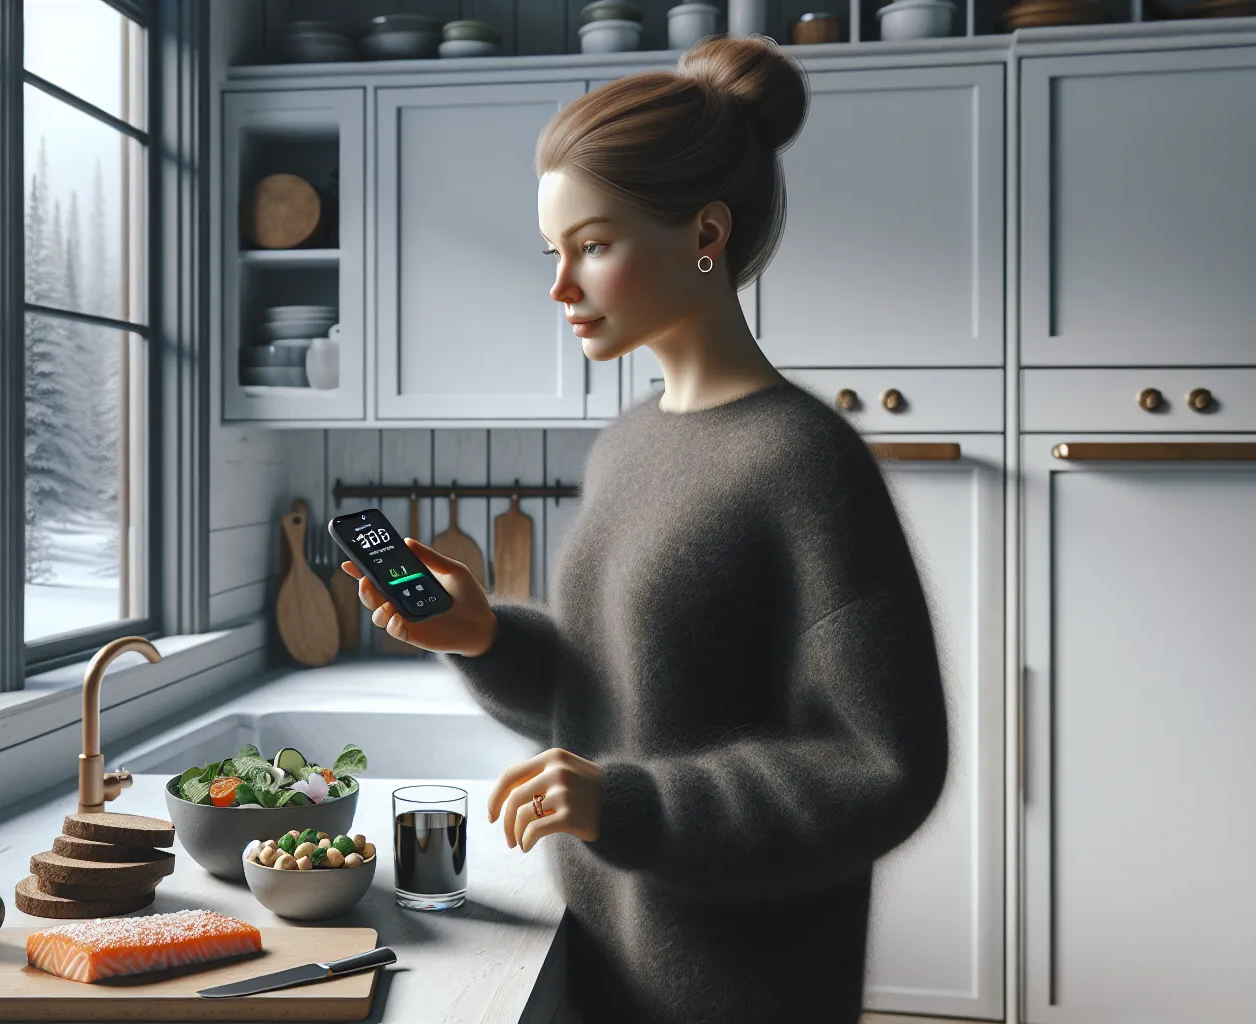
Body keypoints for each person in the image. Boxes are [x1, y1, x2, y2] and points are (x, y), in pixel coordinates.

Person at [338, 32, 950, 1024]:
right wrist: (485, 637)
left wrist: (634, 804)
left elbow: (883, 766)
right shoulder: (630, 444)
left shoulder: (804, 461)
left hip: (744, 988)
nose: (560, 286)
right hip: (608, 959)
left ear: (704, 232)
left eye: (593, 244)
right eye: (554, 252)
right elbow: (621, 692)